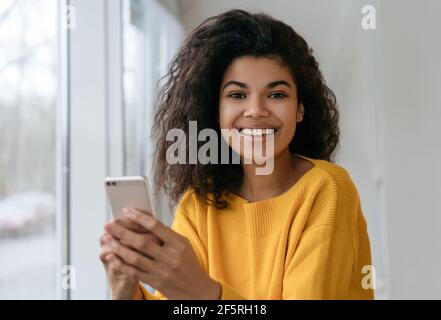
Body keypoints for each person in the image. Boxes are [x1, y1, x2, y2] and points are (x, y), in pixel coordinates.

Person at [99, 9, 374, 300]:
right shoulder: (198, 204)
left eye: (277, 94)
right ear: (215, 113)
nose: (256, 110)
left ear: (300, 108)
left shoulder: (327, 189)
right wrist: (126, 290)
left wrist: (205, 293)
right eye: (237, 95)